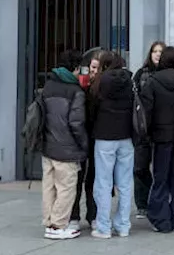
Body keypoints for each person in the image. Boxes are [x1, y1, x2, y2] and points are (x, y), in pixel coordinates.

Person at [139, 46, 174, 234]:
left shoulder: (153, 82)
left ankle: (161, 219)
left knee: (160, 178)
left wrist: (145, 134)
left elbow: (146, 111)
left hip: (161, 136)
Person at [39, 49, 88, 239]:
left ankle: (49, 222)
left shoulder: (48, 86)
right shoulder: (75, 91)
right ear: (75, 68)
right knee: (66, 187)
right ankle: (59, 226)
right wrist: (83, 145)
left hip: (48, 146)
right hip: (67, 148)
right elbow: (76, 123)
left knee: (49, 186)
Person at [89, 52, 134, 239]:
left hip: (105, 136)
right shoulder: (130, 81)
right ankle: (123, 225)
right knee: (124, 183)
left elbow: (92, 110)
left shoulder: (100, 82)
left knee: (103, 183)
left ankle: (103, 227)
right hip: (126, 136)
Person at [132, 41, 165, 218]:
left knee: (161, 168)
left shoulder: (168, 74)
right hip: (143, 127)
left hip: (161, 127)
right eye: (154, 51)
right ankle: (142, 204)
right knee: (140, 168)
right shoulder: (141, 74)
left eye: (161, 51)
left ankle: (159, 202)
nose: (157, 54)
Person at [71, 52, 101, 226]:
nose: (94, 72)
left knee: (94, 178)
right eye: (92, 67)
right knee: (77, 177)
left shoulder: (103, 87)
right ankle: (74, 215)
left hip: (97, 136)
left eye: (97, 68)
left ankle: (93, 214)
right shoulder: (79, 86)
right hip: (80, 136)